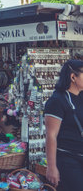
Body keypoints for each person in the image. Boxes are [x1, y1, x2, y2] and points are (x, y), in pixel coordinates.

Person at [44, 59, 83, 190]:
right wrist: (51, 167)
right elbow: (51, 135)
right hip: (67, 160)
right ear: (73, 77)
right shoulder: (57, 100)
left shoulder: (81, 97)